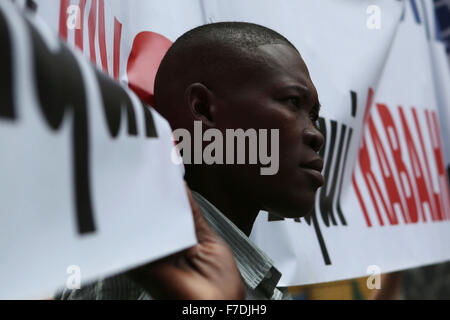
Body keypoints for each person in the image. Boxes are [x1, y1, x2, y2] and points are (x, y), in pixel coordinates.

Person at [59, 22, 324, 300]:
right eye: (293, 102)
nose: (316, 134)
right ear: (203, 109)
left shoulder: (246, 281)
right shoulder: (145, 269)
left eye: (314, 116)